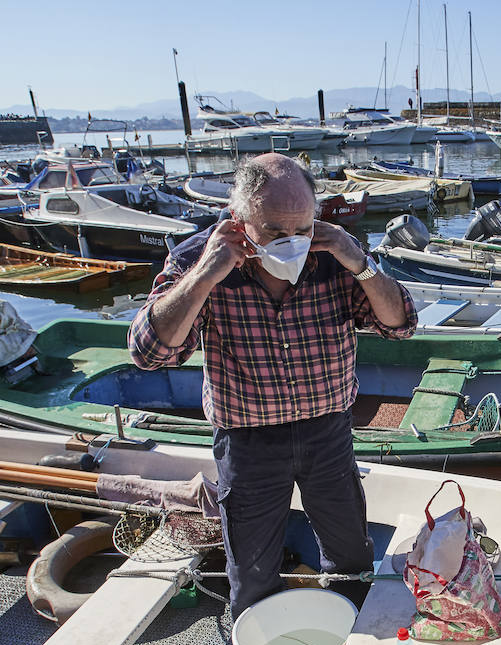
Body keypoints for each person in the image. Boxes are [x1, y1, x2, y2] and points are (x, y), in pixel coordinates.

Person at [128, 153, 416, 613]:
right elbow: (149, 352)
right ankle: (261, 643)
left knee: (349, 554)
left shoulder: (337, 254)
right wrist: (207, 273)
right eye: (275, 234)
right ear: (240, 222)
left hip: (329, 432)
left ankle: (355, 630)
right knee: (252, 566)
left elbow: (400, 325)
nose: (292, 244)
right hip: (247, 441)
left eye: (302, 230)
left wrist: (357, 261)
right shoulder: (199, 257)